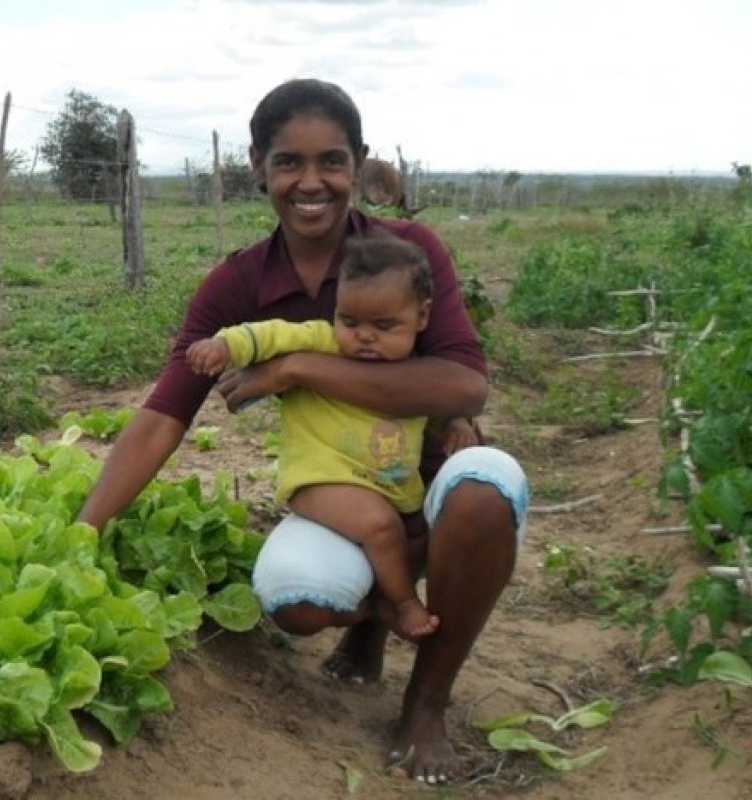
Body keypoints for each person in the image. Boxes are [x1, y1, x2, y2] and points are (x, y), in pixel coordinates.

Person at [77, 77, 529, 785]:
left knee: (484, 491)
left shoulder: (408, 252)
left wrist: (296, 370)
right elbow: (166, 413)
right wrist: (86, 528)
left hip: (432, 480)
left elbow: (462, 384)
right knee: (297, 600)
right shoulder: (237, 285)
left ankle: (426, 702)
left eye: (331, 161)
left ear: (359, 163)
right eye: (289, 162)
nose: (310, 182)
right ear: (258, 167)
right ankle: (377, 618)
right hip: (347, 492)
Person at [185, 231, 475, 640]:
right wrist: (225, 345)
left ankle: (372, 613)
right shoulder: (323, 343)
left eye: (384, 325)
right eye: (349, 321)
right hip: (321, 480)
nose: (364, 336)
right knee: (381, 528)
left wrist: (457, 423)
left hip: (388, 486)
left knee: (414, 534)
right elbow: (272, 334)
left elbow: (435, 411)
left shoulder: (417, 371)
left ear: (422, 317)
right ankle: (402, 604)